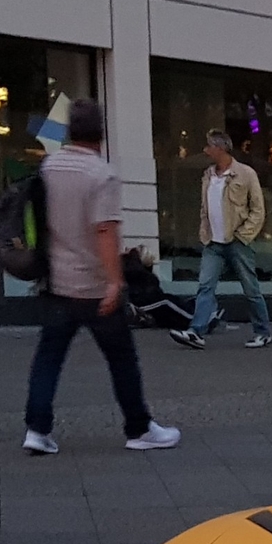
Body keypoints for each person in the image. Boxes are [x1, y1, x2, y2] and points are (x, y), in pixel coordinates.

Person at [22, 100, 180, 455]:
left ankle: (37, 428)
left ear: (69, 131)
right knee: (121, 357)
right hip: (93, 284)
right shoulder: (101, 174)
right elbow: (105, 230)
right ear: (101, 133)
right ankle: (138, 427)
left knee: (49, 357)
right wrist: (115, 281)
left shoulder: (49, 167)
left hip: (57, 281)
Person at [171, 130, 272, 351]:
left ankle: (263, 332)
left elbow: (258, 209)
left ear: (221, 149)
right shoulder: (208, 175)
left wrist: (244, 234)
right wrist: (204, 231)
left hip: (237, 240)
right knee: (205, 286)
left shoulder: (245, 174)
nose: (206, 151)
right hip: (213, 242)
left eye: (209, 146)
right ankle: (196, 331)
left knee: (250, 288)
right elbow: (204, 207)